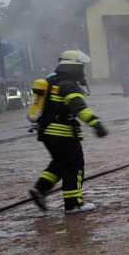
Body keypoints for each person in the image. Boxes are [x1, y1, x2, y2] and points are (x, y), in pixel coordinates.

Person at [28, 49, 108, 214]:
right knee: (74, 166)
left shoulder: (50, 82)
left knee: (59, 163)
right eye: (82, 67)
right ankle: (73, 204)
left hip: (46, 133)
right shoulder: (69, 86)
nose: (83, 72)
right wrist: (96, 123)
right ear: (75, 68)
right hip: (63, 134)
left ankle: (40, 189)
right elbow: (79, 108)